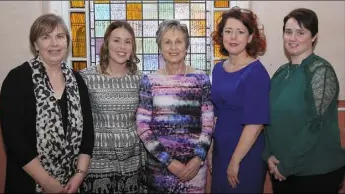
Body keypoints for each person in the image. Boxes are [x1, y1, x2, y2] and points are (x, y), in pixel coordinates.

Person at [0, 14, 94, 193]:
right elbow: (14, 140)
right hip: (28, 183)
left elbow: (88, 133)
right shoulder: (17, 79)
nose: (54, 44)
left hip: (71, 183)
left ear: (67, 41)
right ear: (35, 44)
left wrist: (80, 174)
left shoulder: (77, 80)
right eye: (45, 37)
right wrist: (48, 182)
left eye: (59, 36)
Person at [263, 8, 345, 193]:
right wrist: (268, 156)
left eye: (301, 33)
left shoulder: (321, 71)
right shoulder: (280, 73)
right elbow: (266, 119)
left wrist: (286, 166)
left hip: (315, 174)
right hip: (280, 170)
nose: (293, 38)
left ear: (314, 36)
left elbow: (316, 125)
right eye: (288, 32)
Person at [136, 19, 214, 193]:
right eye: (167, 42)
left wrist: (197, 158)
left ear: (186, 46)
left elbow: (208, 125)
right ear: (160, 47)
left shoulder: (201, 80)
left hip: (194, 170)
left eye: (178, 41)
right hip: (160, 170)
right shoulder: (149, 81)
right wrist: (168, 161)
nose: (173, 47)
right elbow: (142, 127)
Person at [79, 21, 146, 193]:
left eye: (127, 41)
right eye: (116, 40)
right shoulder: (86, 78)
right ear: (107, 44)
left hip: (131, 162)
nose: (122, 46)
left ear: (133, 48)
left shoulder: (141, 79)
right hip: (97, 163)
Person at [209, 7, 270, 193]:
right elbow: (216, 114)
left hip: (245, 155)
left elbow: (256, 123)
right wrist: (211, 150)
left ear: (250, 37)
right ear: (221, 36)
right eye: (228, 31)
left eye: (240, 32)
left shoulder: (256, 72)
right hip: (220, 151)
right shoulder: (218, 70)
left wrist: (235, 161)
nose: (233, 37)